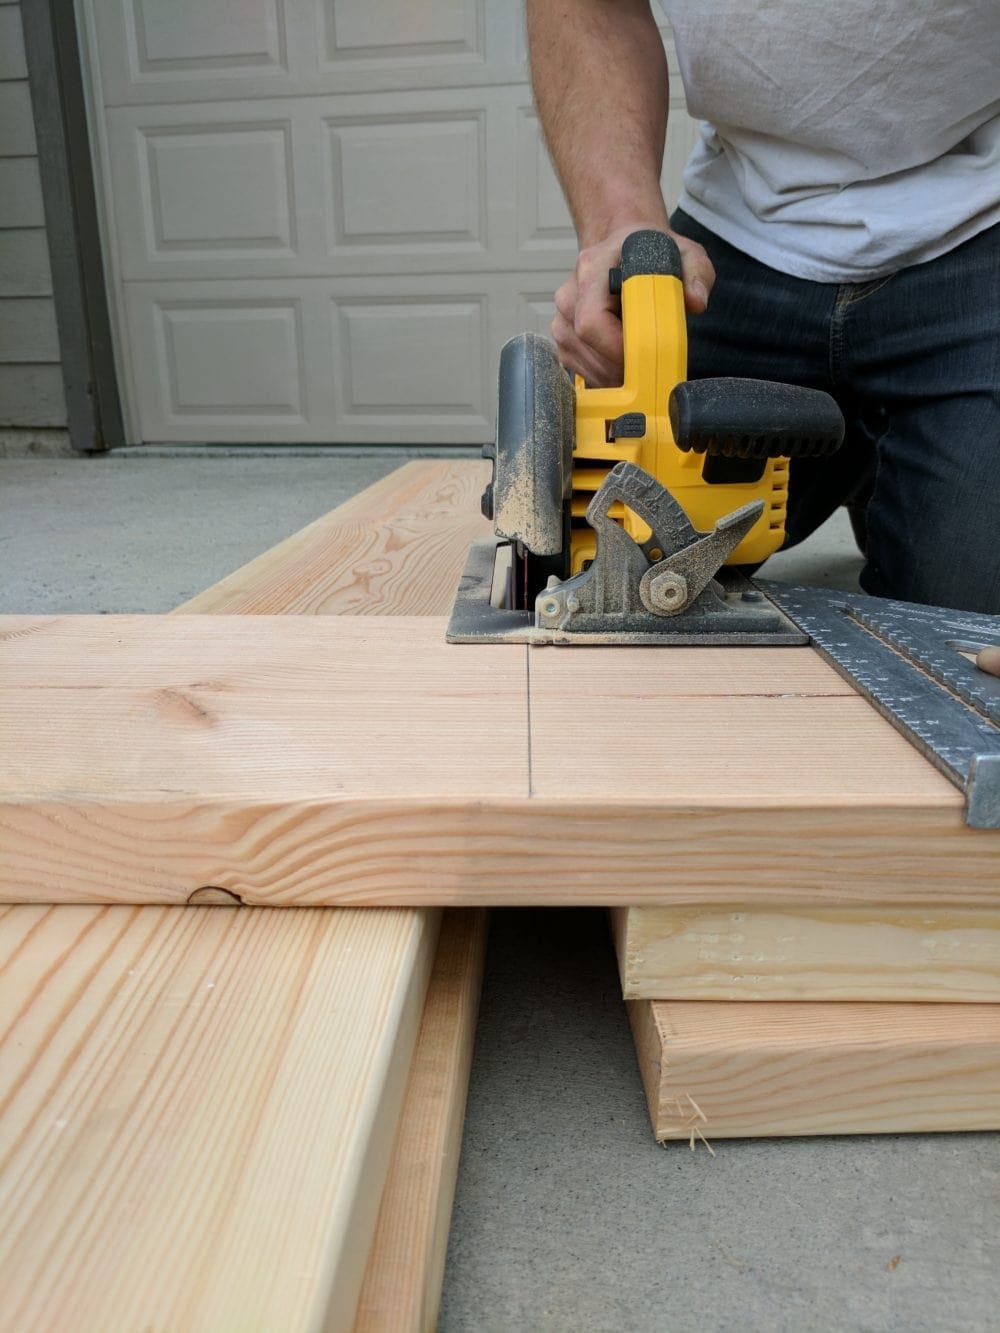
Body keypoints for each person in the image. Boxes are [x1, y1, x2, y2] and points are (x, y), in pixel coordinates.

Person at [526, 0, 1000, 642]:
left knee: (965, 627)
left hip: (978, 222)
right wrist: (620, 226)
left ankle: (896, 451)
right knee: (616, 550)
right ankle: (873, 449)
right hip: (740, 232)